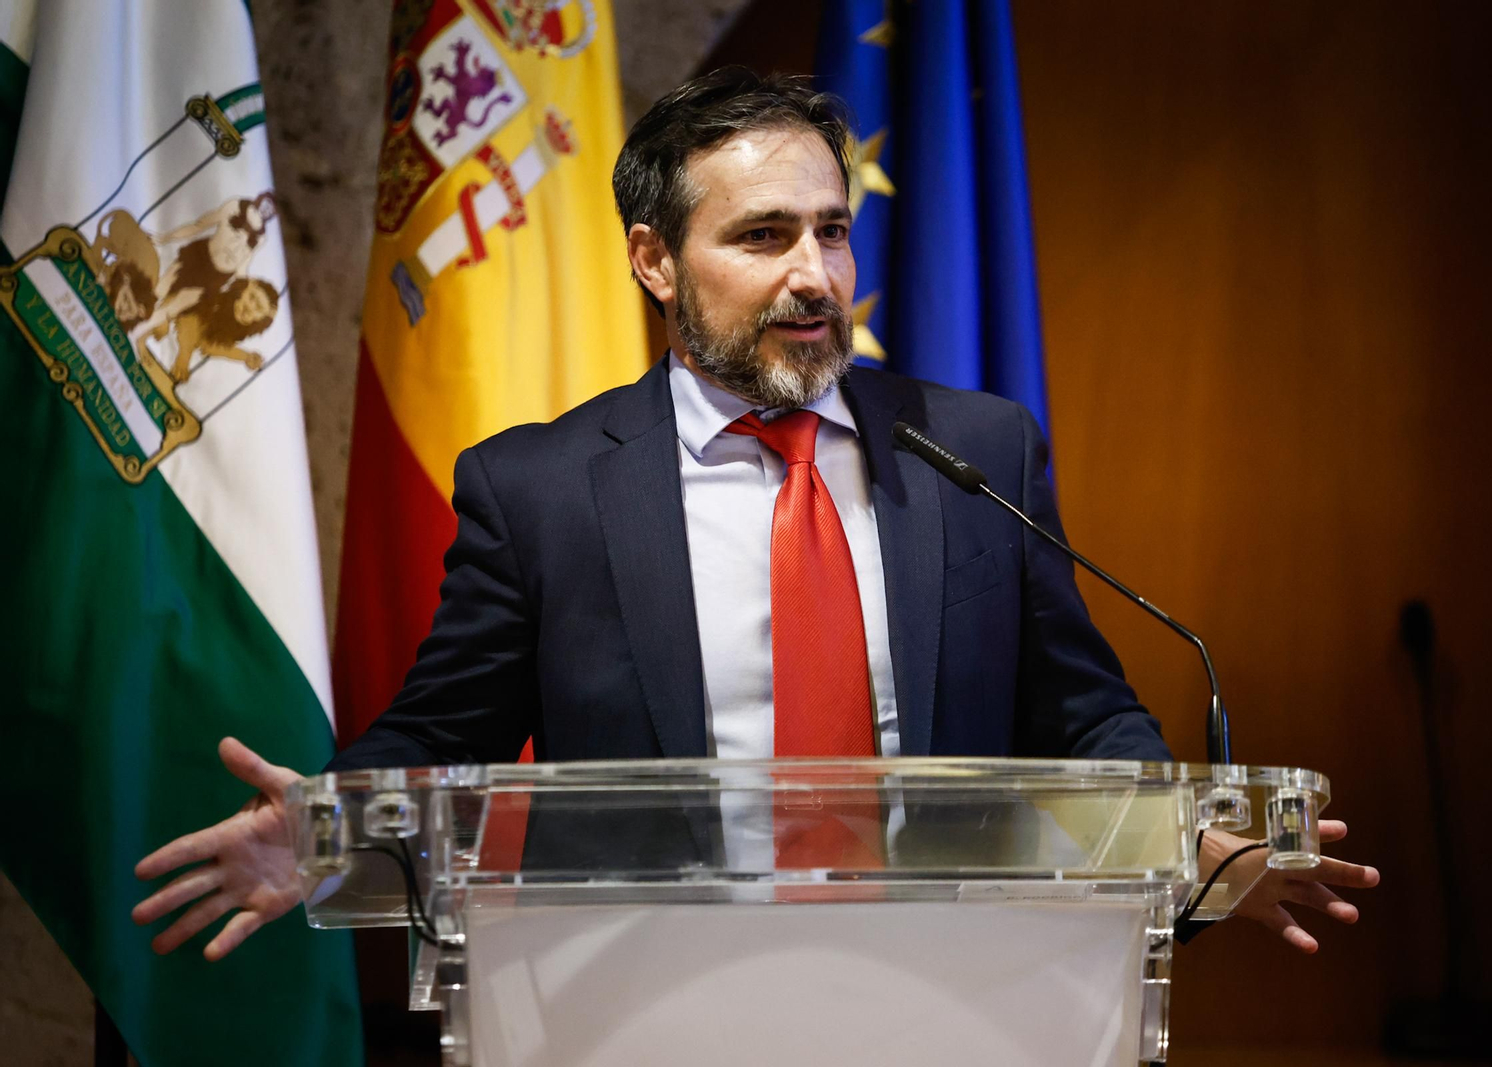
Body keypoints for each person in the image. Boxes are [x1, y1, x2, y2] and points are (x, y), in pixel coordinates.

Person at [133, 68, 1377, 964]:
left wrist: (1183, 834)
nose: (814, 276)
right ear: (653, 260)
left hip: (960, 988)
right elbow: (443, 729)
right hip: (655, 991)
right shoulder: (543, 489)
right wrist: (333, 826)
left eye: (833, 232)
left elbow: (1081, 707)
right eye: (764, 235)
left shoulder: (973, 449)